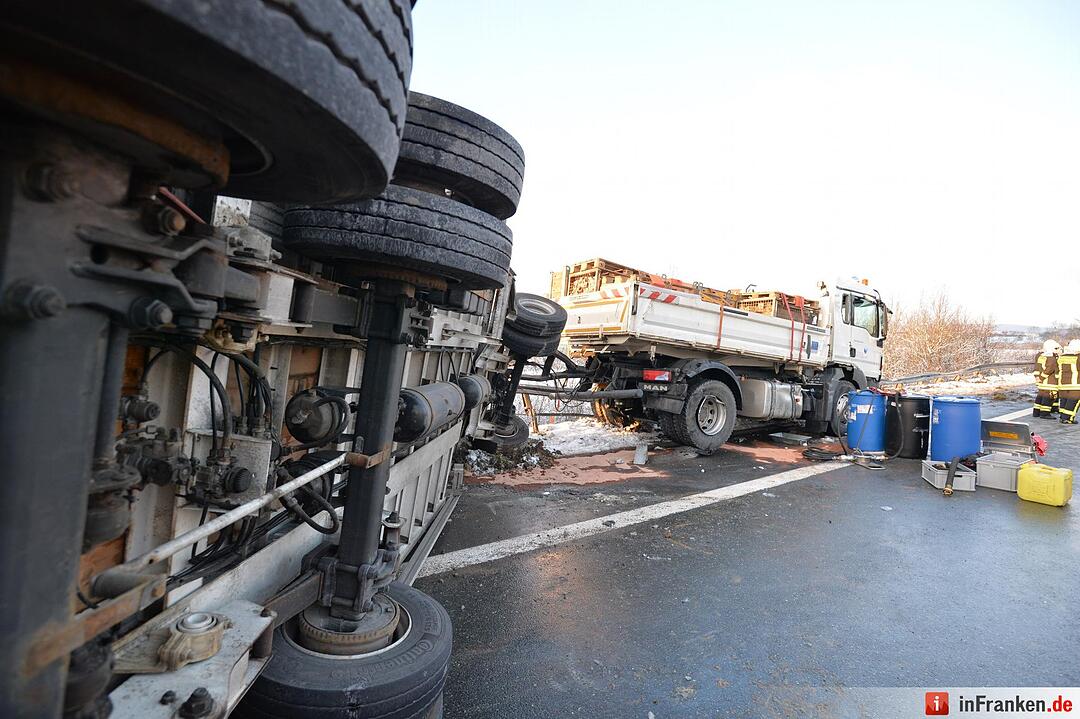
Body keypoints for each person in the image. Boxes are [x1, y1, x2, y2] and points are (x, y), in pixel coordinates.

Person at [1033, 339, 1061, 418]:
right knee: (1049, 398)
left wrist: (1038, 378)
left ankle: (1036, 412)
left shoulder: (1041, 356)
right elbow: (1049, 369)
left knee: (1040, 396)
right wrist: (1042, 377)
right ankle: (1045, 413)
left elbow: (1037, 367)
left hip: (1043, 383)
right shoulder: (1051, 358)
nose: (1057, 350)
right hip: (1050, 383)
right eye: (1055, 348)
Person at [1057, 339, 1080, 425]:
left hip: (1063, 383)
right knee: (1074, 401)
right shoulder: (1078, 357)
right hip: (1076, 384)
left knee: (1064, 400)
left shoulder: (1062, 357)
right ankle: (1068, 418)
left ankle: (1062, 417)